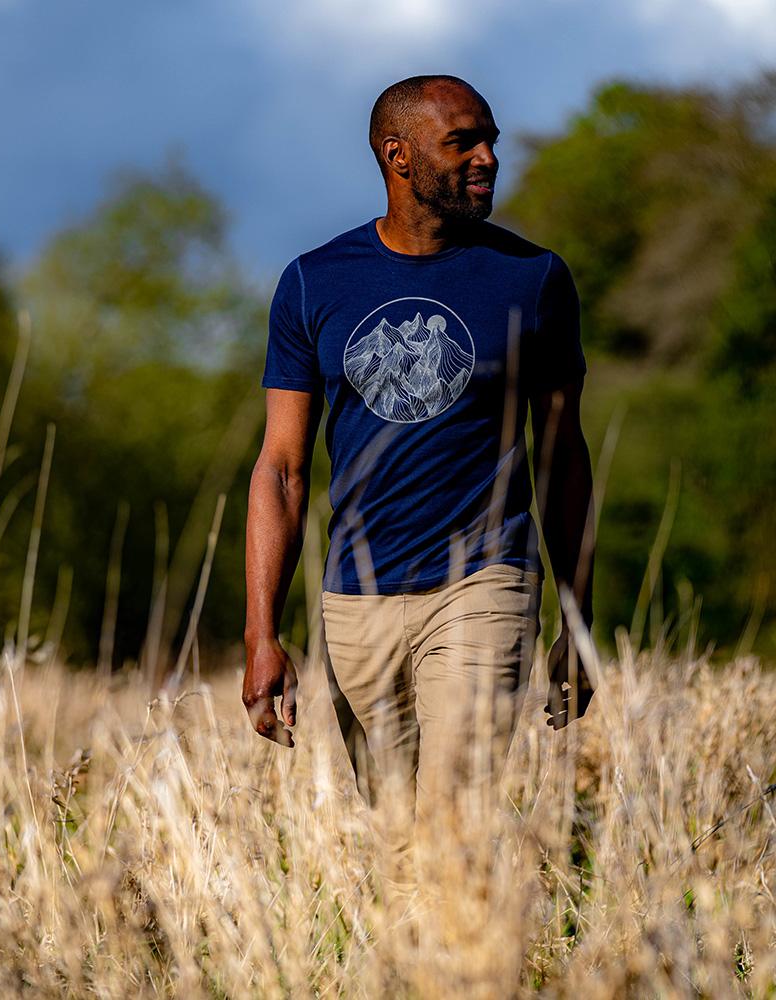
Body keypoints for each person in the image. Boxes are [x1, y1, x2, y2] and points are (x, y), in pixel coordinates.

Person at [242, 74, 595, 837]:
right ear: (398, 156)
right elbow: (281, 469)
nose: (489, 158)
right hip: (355, 601)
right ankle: (422, 958)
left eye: (491, 139)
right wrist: (261, 633)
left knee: (455, 816)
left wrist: (578, 617)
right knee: (399, 836)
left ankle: (479, 951)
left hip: (485, 578)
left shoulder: (534, 280)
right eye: (463, 142)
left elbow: (564, 455)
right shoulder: (312, 283)